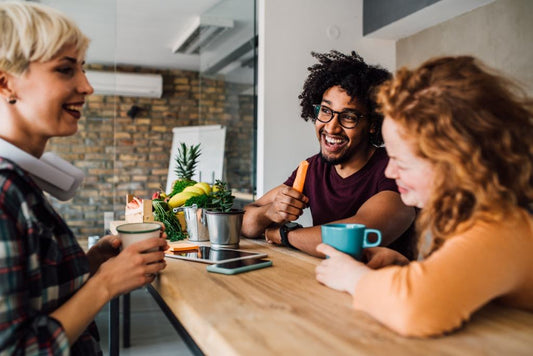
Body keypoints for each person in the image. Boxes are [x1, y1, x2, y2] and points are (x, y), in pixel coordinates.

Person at [315, 56, 533, 337]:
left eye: (402, 162)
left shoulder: (500, 229)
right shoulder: (471, 218)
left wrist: (353, 277)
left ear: (458, 164)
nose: (391, 172)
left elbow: (415, 309)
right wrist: (407, 269)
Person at [0, 2, 168, 354]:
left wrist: (90, 263)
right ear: (6, 83)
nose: (87, 86)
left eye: (83, 69)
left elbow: (35, 294)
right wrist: (104, 284)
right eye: (65, 70)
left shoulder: (20, 183)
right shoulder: (5, 193)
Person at [242, 50, 416, 258]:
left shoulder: (394, 168)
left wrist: (285, 234)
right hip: (328, 283)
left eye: (349, 117)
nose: (331, 127)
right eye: (325, 111)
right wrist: (269, 212)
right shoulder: (312, 169)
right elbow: (245, 222)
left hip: (383, 287)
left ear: (372, 124)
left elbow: (357, 236)